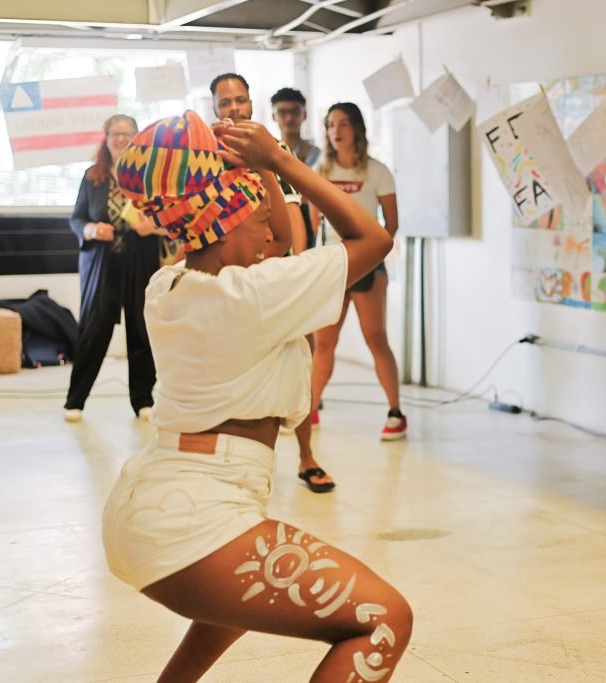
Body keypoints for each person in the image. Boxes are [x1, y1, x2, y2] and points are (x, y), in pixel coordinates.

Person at [102, 110, 411, 681]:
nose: (273, 237)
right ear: (224, 225)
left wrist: (263, 177)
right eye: (261, 223)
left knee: (231, 607)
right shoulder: (254, 297)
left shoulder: (169, 285)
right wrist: (281, 161)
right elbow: (375, 237)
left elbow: (282, 249)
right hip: (192, 517)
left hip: (148, 504)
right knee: (383, 619)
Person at [211, 72, 334, 493]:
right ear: (215, 108)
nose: (234, 109)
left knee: (300, 364)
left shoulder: (273, 151)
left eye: (240, 100)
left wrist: (292, 272)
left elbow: (296, 215)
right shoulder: (205, 155)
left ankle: (306, 456)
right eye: (225, 102)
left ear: (250, 104)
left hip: (275, 276)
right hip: (226, 282)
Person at [303, 102, 405, 459]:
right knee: (324, 341)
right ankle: (310, 409)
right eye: (330, 124)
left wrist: (374, 254)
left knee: (375, 337)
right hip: (334, 263)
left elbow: (391, 223)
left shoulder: (377, 172)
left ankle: (395, 411)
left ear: (357, 128)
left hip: (368, 265)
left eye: (343, 123)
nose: (336, 130)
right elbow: (314, 224)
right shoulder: (322, 169)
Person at [64, 114, 161, 423]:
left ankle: (143, 400)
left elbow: (171, 215)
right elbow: (77, 218)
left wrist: (153, 226)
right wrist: (91, 230)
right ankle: (75, 401)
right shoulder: (93, 175)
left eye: (127, 133)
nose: (121, 138)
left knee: (141, 330)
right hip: (101, 262)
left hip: (140, 259)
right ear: (105, 138)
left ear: (137, 138)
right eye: (115, 133)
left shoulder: (150, 174)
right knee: (94, 330)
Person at [272, 87, 321, 249]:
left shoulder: (318, 156)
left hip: (312, 220)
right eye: (282, 112)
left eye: (294, 112)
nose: (288, 118)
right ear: (274, 116)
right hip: (279, 219)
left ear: (304, 115)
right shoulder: (269, 152)